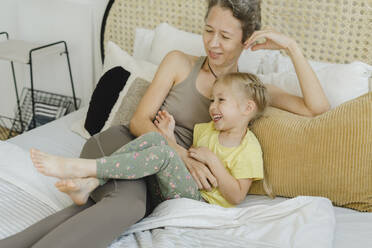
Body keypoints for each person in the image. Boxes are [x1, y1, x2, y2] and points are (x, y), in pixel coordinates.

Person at [0, 0, 330, 247]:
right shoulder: (178, 62)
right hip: (122, 147)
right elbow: (139, 120)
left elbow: (316, 109)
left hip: (155, 176)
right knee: (129, 206)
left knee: (100, 208)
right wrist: (180, 153)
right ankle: (85, 171)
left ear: (246, 40)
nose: (213, 43)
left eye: (225, 36)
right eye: (208, 30)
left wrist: (291, 48)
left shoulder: (249, 92)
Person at [30, 72, 270, 209]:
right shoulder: (206, 130)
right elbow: (184, 162)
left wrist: (213, 161)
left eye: (221, 100)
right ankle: (92, 180)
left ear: (247, 108)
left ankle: (85, 169)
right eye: (212, 100)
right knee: (154, 138)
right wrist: (167, 136)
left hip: (201, 205)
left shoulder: (248, 148)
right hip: (173, 192)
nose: (212, 106)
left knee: (163, 152)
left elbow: (237, 196)